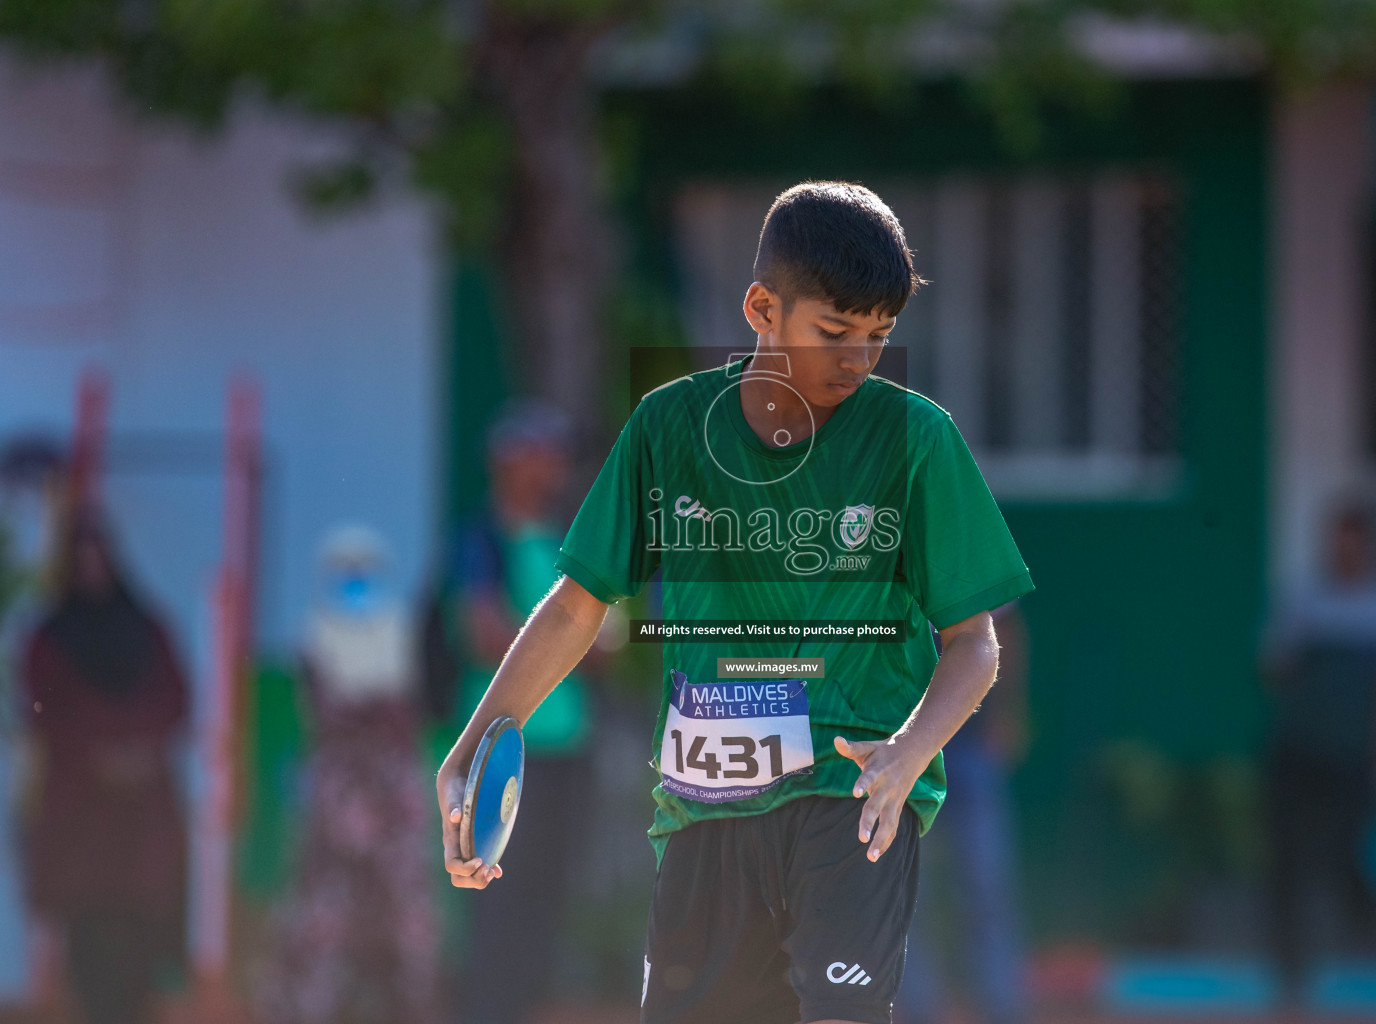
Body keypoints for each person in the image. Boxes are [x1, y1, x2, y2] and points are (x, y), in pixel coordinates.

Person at [435, 181, 1035, 1024]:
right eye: (834, 332)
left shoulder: (916, 439)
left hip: (849, 797)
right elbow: (576, 607)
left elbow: (976, 642)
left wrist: (906, 754)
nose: (858, 359)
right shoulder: (667, 430)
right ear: (762, 307)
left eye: (878, 335)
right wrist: (475, 742)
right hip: (704, 811)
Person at [253, 525, 442, 1024]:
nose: (356, 580)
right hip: (337, 798)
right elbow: (323, 714)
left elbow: (403, 714)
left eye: (364, 569)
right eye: (345, 570)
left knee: (405, 918)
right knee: (324, 919)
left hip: (392, 794)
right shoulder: (314, 633)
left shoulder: (400, 631)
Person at [449, 402, 600, 1024]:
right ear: (508, 461)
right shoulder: (479, 539)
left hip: (568, 749)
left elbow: (607, 648)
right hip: (501, 748)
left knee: (546, 895)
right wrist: (561, 641)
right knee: (495, 895)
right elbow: (482, 634)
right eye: (543, 453)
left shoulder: (567, 538)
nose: (556, 467)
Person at [21, 510, 188, 1024]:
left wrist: (137, 749)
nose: (91, 569)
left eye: (99, 557)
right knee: (91, 941)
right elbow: (43, 710)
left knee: (141, 937)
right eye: (82, 559)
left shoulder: (147, 628)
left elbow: (176, 698)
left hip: (140, 817)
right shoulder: (50, 637)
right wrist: (101, 755)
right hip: (82, 819)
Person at [1262, 501, 1376, 1003]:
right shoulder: (1304, 599)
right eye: (1337, 539)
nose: (1344, 550)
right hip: (1299, 753)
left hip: (1354, 757)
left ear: (1369, 547)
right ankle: (1292, 974)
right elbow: (1275, 668)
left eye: (1354, 540)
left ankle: (1372, 958)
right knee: (1291, 861)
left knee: (1350, 857)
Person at [898, 602, 1031, 1024]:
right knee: (904, 888)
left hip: (969, 745)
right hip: (897, 749)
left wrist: (1010, 710)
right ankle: (909, 1009)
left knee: (986, 883)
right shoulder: (873, 552)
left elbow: (1005, 627)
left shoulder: (959, 544)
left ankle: (1002, 1007)